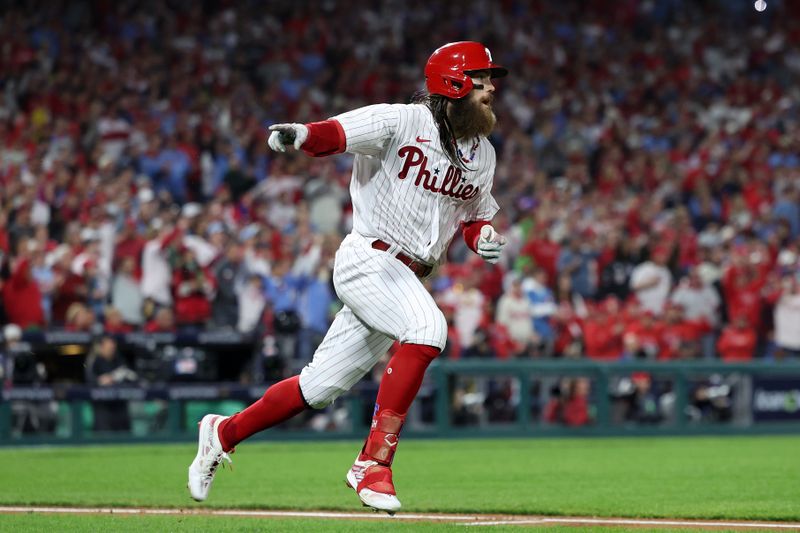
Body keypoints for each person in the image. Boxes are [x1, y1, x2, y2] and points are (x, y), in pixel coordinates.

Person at [188, 41, 509, 513]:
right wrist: (299, 135)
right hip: (369, 259)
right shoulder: (402, 120)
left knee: (318, 389)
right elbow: (335, 133)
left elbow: (472, 216)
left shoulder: (483, 155)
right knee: (428, 329)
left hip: (405, 277)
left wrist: (481, 236)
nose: (491, 87)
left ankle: (223, 432)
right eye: (481, 78)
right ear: (454, 82)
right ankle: (372, 465)